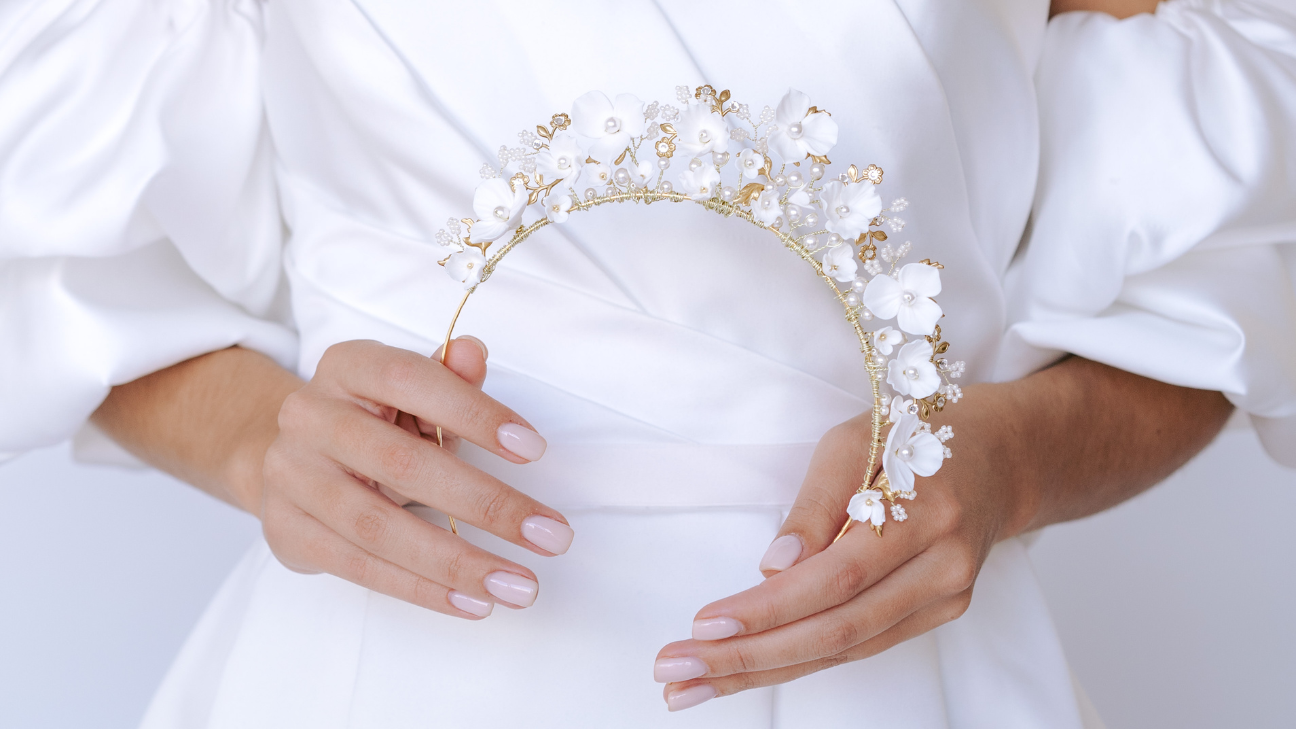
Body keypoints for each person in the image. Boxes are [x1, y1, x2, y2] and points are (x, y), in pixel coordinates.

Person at [1, 0, 1292, 726]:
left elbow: (1209, 273)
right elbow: (57, 237)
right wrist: (253, 438)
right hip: (384, 665)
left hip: (889, 662)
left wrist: (1013, 464)